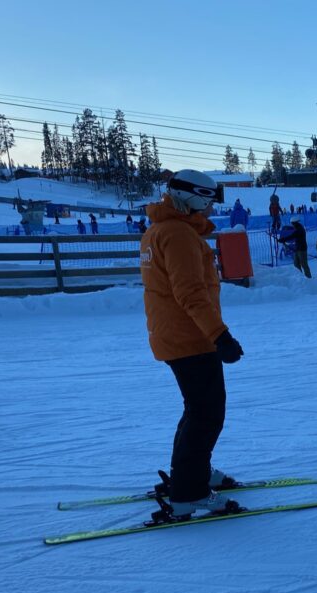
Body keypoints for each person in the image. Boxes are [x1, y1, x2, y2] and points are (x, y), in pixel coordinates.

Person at [140, 169, 245, 520]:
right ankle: (189, 491)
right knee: (206, 414)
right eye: (210, 201)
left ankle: (193, 473)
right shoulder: (178, 235)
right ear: (195, 198)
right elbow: (190, 293)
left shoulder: (160, 230)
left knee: (197, 410)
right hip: (191, 337)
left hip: (176, 334)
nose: (213, 209)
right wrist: (220, 336)